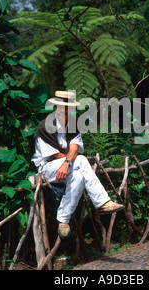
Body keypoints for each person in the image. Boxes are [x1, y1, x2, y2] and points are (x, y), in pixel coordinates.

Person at [32, 91, 124, 238]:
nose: (64, 111)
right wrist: (69, 161)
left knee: (79, 177)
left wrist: (67, 162)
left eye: (67, 108)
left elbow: (74, 148)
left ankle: (63, 221)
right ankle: (102, 203)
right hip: (47, 169)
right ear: (55, 107)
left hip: (67, 167)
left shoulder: (73, 124)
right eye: (61, 107)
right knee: (80, 160)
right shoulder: (45, 127)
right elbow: (55, 155)